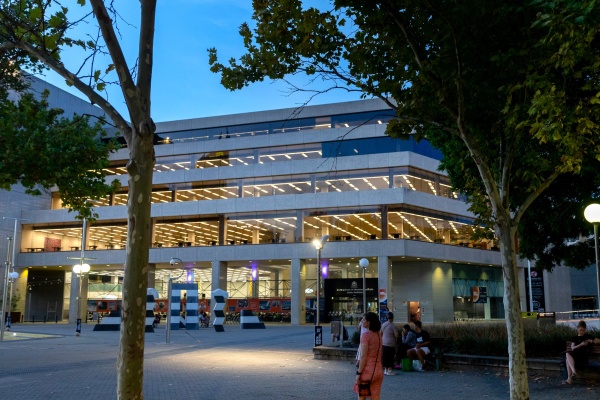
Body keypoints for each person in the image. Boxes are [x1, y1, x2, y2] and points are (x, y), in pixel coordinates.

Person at [354, 312, 384, 400]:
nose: (362, 322)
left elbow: (363, 357)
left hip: (367, 372)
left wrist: (358, 373)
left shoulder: (366, 335)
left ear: (369, 322)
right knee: (375, 397)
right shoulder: (379, 335)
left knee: (362, 396)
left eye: (363, 320)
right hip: (378, 371)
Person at [563, 320, 599, 384]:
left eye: (583, 330)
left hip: (583, 357)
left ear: (585, 330)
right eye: (580, 330)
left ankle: (570, 378)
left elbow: (598, 340)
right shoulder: (574, 338)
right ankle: (573, 373)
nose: (582, 332)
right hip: (576, 356)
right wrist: (581, 345)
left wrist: (592, 341)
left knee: (567, 359)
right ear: (577, 329)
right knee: (567, 354)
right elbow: (573, 348)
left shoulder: (588, 336)